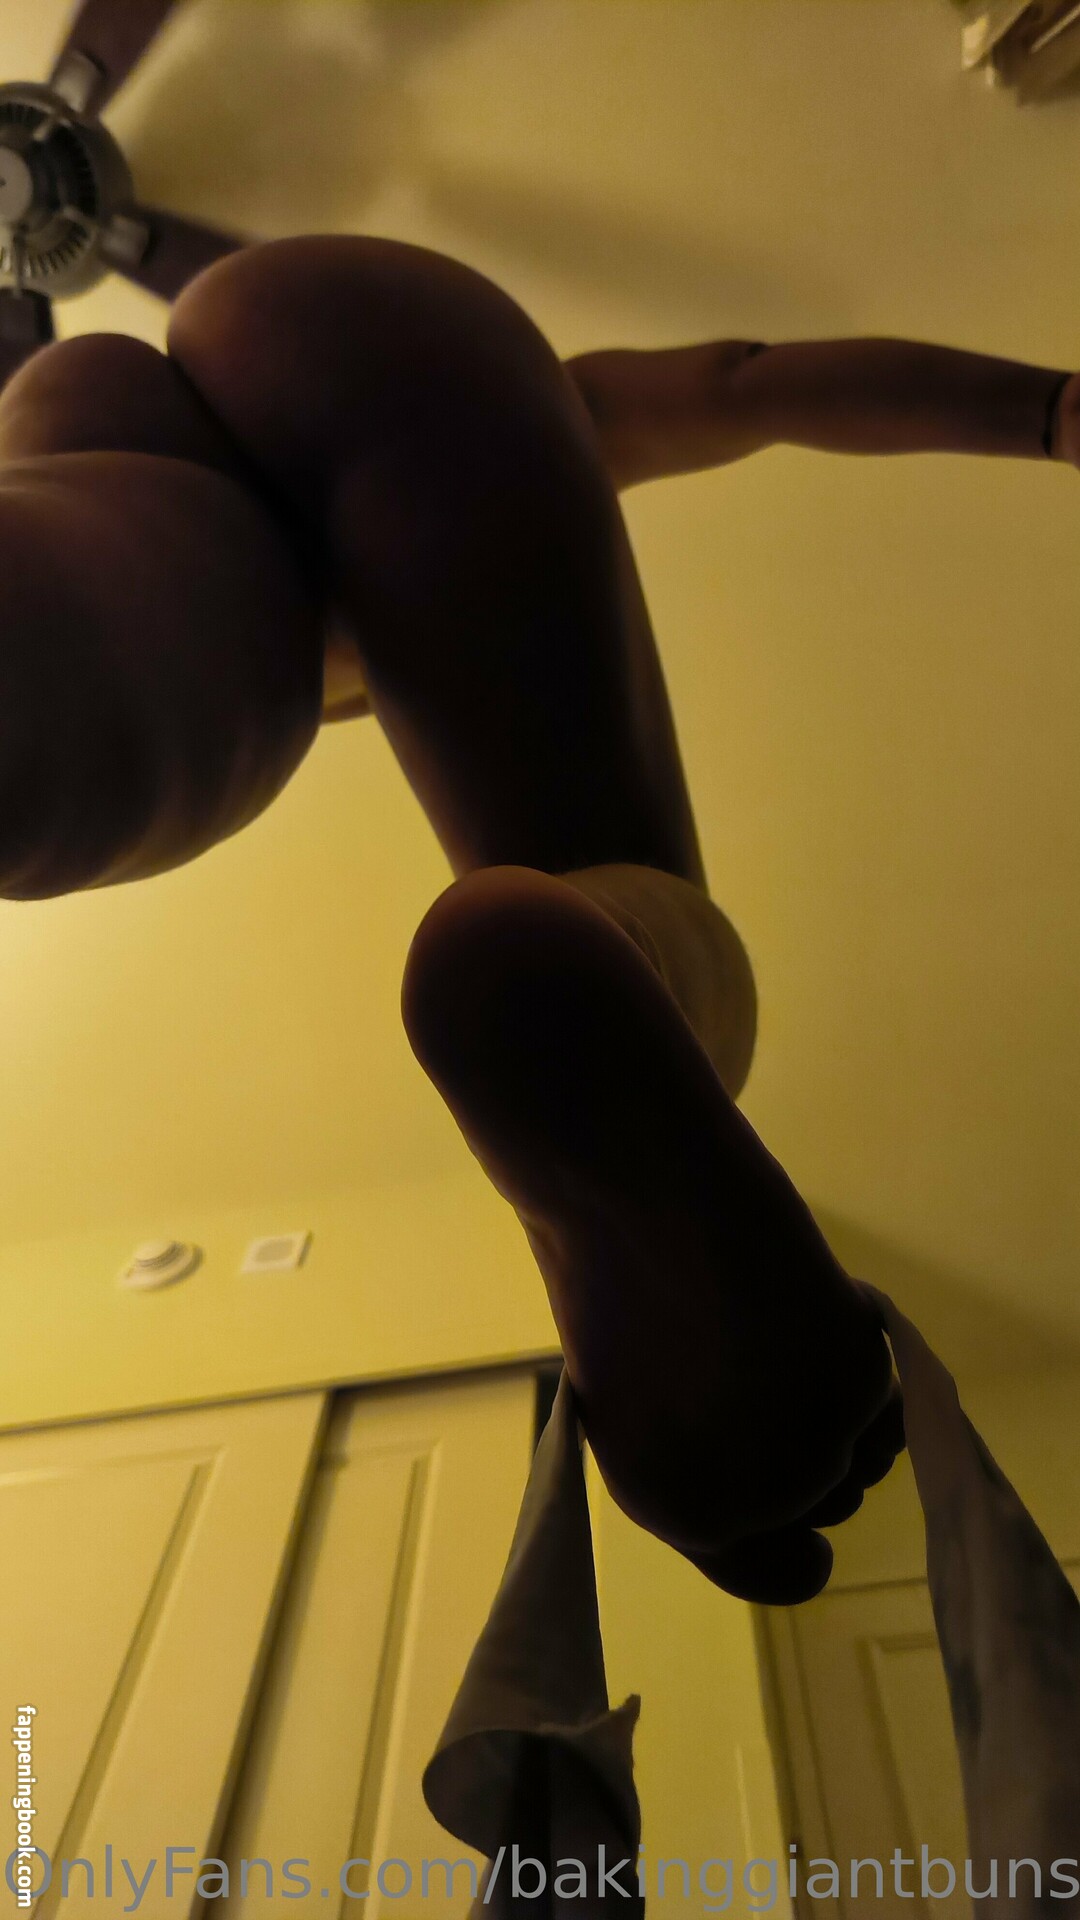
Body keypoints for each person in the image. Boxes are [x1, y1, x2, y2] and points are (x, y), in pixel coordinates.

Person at [0, 235, 1073, 1600]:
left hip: (68, 436)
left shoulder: (219, 557)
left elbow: (742, 384)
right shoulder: (471, 447)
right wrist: (1047, 412)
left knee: (70, 647)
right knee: (590, 876)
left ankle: (595, 963)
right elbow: (747, 385)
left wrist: (1056, 411)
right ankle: (608, 949)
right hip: (374, 335)